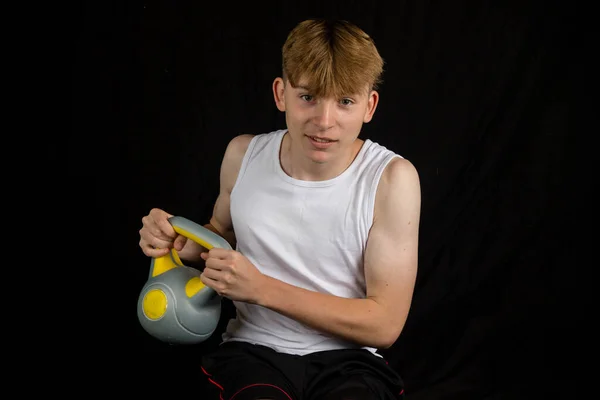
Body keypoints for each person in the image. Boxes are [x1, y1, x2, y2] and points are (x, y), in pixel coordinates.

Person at [138, 18, 421, 400]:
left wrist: (261, 289)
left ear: (369, 105)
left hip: (349, 360)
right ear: (281, 93)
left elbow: (384, 324)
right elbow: (219, 238)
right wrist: (178, 239)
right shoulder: (243, 154)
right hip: (253, 352)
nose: (324, 121)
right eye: (308, 97)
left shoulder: (392, 179)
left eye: (345, 101)